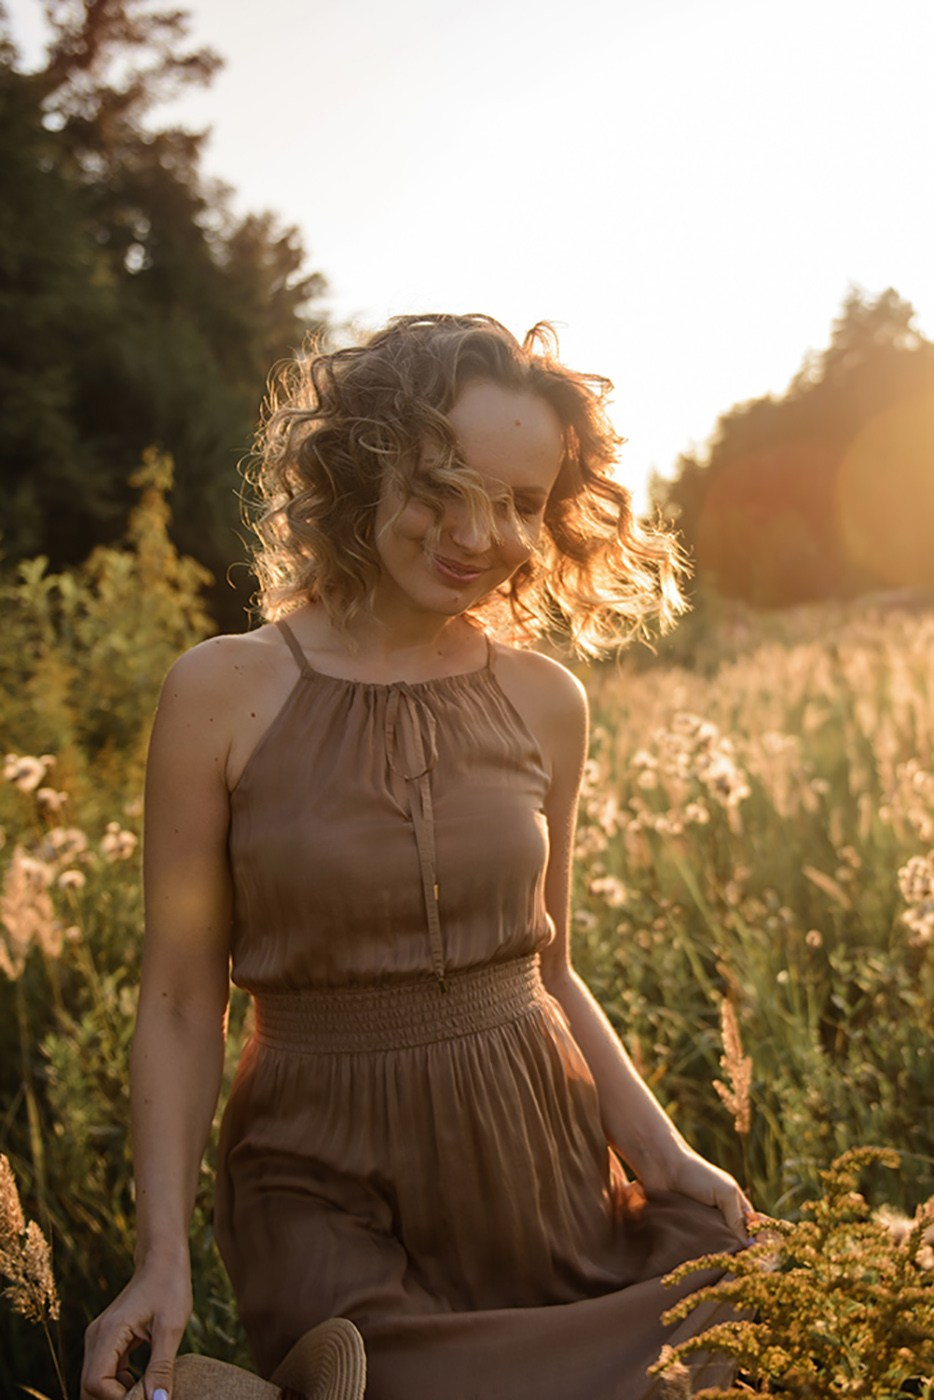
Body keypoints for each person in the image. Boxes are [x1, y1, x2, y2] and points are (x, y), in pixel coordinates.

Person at [81, 314, 752, 1400]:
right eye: (444, 482)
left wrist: (667, 1159)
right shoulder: (223, 689)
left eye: (521, 501)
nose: (479, 532)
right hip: (322, 1181)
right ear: (363, 460)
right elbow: (175, 995)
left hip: (538, 1161)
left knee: (750, 1317)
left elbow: (554, 967)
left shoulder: (545, 701)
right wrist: (160, 1255)